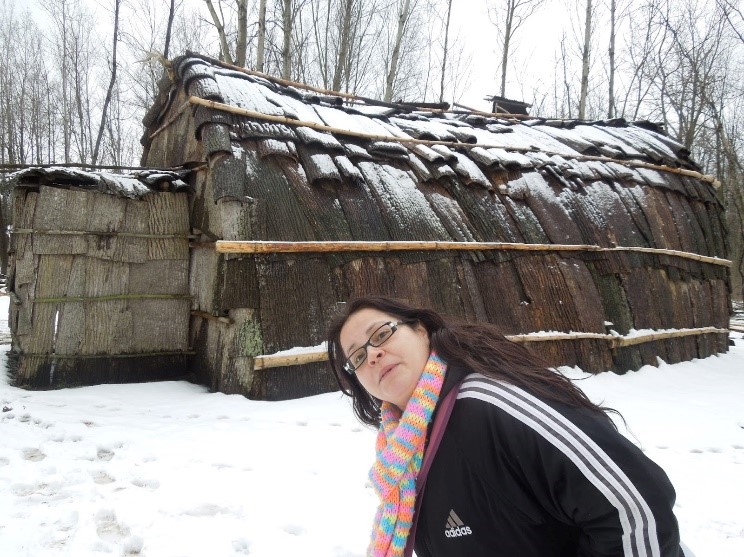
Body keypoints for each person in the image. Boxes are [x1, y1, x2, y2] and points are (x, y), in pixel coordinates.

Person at [326, 295, 688, 557]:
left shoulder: (491, 405)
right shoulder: (402, 455)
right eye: (356, 357)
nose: (372, 354)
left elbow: (635, 508)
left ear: (421, 330)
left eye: (382, 334)